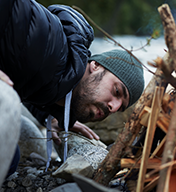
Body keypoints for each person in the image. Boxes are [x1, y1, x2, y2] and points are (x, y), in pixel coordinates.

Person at [0, 0, 144, 178]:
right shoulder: (50, 42)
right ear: (96, 66)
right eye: (116, 92)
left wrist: (51, 114)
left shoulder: (55, 75)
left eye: (120, 107)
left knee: (11, 159)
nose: (113, 108)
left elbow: (30, 81)